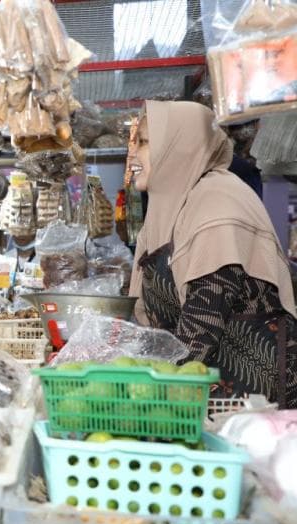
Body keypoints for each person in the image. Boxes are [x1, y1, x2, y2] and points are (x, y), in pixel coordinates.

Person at [127, 101, 296, 407]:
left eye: (144, 142)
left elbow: (201, 325)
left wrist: (136, 396)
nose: (132, 154)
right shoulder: (168, 210)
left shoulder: (217, 205)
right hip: (201, 390)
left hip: (254, 402)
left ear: (178, 146)